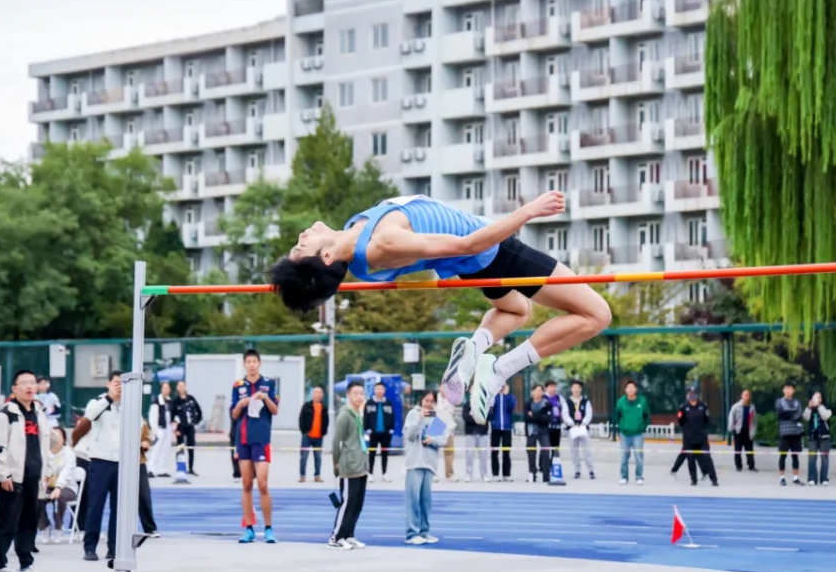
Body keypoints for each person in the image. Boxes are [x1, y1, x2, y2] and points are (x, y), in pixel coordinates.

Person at [268, 192, 613, 427]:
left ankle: (474, 350)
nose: (301, 237)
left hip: (476, 262)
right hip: (494, 252)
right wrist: (530, 210)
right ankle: (499, 369)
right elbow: (468, 244)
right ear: (326, 257)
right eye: (301, 249)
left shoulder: (354, 231)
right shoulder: (381, 243)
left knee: (518, 311)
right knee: (597, 315)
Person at [0, 370, 51, 572]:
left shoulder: (39, 414)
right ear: (14, 388)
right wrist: (3, 474)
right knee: (6, 521)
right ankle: (0, 564)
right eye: (24, 383)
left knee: (29, 521)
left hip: (34, 476)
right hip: (13, 477)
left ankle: (26, 563)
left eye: (32, 382)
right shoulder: (5, 415)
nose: (29, 386)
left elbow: (45, 446)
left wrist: (47, 471)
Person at [230, 349, 279, 544]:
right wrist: (241, 404)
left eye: (254, 362)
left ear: (259, 363)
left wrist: (265, 398)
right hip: (243, 439)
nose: (251, 365)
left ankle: (268, 528)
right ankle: (249, 528)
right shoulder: (238, 385)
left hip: (261, 439)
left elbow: (275, 410)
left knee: (263, 484)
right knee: (247, 484)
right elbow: (234, 414)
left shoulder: (268, 383)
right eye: (248, 362)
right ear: (244, 365)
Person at [82, 371, 124, 564]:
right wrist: (109, 398)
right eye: (116, 382)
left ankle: (114, 547)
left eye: (123, 383)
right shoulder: (97, 402)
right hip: (100, 460)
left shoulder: (129, 405)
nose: (119, 386)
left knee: (118, 508)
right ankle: (90, 546)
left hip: (121, 461)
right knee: (95, 505)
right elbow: (90, 415)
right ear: (108, 384)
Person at [403, 390, 450, 545]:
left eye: (431, 401)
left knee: (425, 500)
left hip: (429, 463)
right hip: (415, 462)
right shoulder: (413, 414)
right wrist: (419, 420)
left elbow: (442, 439)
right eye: (426, 400)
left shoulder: (435, 418)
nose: (428, 404)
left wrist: (432, 440)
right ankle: (412, 533)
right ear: (421, 400)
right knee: (414, 499)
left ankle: (424, 531)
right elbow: (409, 435)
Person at [329, 381, 369, 550]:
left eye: (361, 393)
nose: (359, 397)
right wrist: (336, 464)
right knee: (347, 502)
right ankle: (336, 536)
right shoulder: (344, 415)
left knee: (357, 503)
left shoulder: (358, 414)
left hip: (361, 465)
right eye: (355, 393)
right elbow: (336, 442)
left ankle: (349, 534)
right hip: (349, 465)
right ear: (348, 395)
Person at [670, 387, 718, 487]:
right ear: (687, 395)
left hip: (702, 438)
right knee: (690, 458)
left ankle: (713, 479)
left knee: (707, 457)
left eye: (694, 393)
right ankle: (693, 479)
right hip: (689, 438)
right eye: (690, 393)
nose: (692, 395)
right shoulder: (683, 407)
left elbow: (706, 419)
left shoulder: (703, 406)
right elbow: (681, 421)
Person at [38, 428, 77, 544]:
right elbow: (42, 472)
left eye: (58, 435)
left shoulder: (69, 454)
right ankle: (44, 526)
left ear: (64, 439)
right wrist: (44, 483)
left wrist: (58, 487)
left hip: (67, 488)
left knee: (59, 497)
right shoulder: (44, 453)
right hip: (48, 487)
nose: (54, 438)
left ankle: (58, 527)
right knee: (36, 496)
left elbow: (66, 473)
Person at [614, 380, 650, 486]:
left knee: (639, 456)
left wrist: (643, 427)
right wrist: (621, 427)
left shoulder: (642, 401)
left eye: (632, 387)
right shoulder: (621, 402)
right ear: (625, 390)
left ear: (636, 389)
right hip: (625, 434)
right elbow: (617, 415)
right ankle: (624, 477)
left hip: (637, 434)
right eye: (628, 387)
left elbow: (647, 415)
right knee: (624, 456)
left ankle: (639, 477)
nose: (630, 389)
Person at [363, 382, 396, 483]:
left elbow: (392, 416)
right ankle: (370, 473)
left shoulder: (388, 403)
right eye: (377, 389)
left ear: (384, 390)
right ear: (374, 390)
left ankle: (384, 473)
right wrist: (367, 428)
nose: (379, 391)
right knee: (372, 454)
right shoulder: (369, 403)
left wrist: (391, 429)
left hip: (386, 433)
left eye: (381, 389)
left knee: (385, 454)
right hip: (373, 433)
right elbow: (366, 416)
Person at [169, 381, 202, 477]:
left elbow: (199, 411)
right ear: (177, 388)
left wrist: (196, 421)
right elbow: (172, 416)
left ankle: (191, 468)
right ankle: (180, 467)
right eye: (180, 386)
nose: (182, 387)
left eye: (183, 385)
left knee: (191, 446)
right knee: (180, 447)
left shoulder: (191, 399)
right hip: (180, 427)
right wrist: (175, 429)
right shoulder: (175, 401)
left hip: (190, 426)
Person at [565, 380, 595, 480]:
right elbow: (565, 414)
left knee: (587, 451)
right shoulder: (567, 402)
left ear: (581, 389)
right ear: (571, 389)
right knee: (574, 452)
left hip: (583, 429)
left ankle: (591, 470)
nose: (576, 390)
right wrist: (571, 423)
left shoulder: (586, 401)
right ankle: (577, 470)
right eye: (574, 388)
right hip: (572, 429)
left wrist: (584, 423)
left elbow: (589, 413)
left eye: (578, 388)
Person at [776, 381, 804, 486]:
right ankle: (782, 477)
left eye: (790, 388)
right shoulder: (779, 402)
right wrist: (791, 414)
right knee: (783, 455)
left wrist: (789, 415)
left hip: (796, 432)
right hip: (784, 431)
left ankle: (795, 477)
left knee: (795, 455)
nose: (788, 391)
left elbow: (799, 414)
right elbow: (780, 414)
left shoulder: (797, 402)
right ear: (783, 390)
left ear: (793, 390)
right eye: (786, 388)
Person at [298, 386, 329, 482]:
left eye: (320, 393)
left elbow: (326, 421)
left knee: (318, 457)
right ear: (313, 394)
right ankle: (302, 475)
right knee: (304, 457)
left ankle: (317, 475)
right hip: (307, 436)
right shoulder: (307, 406)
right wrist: (304, 431)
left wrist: (324, 432)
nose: (318, 394)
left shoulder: (324, 408)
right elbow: (301, 419)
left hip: (319, 437)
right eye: (316, 392)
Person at [803, 391, 832, 486]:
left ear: (821, 399)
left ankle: (824, 478)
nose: (815, 400)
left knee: (824, 458)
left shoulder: (826, 408)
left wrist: (819, 406)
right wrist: (809, 407)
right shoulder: (810, 409)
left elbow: (825, 416)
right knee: (812, 458)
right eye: (814, 397)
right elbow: (805, 417)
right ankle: (812, 478)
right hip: (812, 436)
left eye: (818, 397)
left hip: (824, 436)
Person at [524, 384, 552, 483]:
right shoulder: (528, 403)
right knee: (531, 453)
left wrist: (534, 416)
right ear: (532, 392)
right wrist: (539, 416)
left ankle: (546, 474)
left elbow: (546, 419)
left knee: (546, 451)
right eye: (536, 390)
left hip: (543, 431)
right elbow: (526, 418)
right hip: (531, 431)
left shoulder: (546, 404)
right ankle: (532, 473)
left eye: (540, 390)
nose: (538, 392)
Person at [489, 383, 517, 482]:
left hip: (507, 428)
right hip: (495, 428)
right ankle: (495, 474)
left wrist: (506, 395)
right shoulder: (494, 397)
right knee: (494, 452)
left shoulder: (510, 397)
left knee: (506, 452)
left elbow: (511, 407)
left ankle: (506, 474)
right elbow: (490, 410)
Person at [147, 381, 174, 478]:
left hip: (168, 428)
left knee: (166, 449)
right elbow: (152, 417)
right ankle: (151, 469)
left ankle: (162, 469)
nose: (166, 390)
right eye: (164, 388)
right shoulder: (156, 402)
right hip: (159, 428)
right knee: (156, 449)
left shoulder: (170, 402)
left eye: (168, 388)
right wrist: (155, 429)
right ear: (161, 389)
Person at [461, 391, 490, 482]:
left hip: (482, 432)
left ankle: (484, 474)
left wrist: (475, 416)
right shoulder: (467, 404)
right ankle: (468, 474)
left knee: (483, 455)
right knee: (469, 454)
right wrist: (478, 419)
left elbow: (488, 417)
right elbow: (465, 417)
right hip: (470, 432)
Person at [728, 390, 758, 472]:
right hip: (738, 430)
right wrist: (731, 428)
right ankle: (738, 465)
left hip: (748, 430)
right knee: (738, 449)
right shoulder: (736, 406)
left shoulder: (752, 407)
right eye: (745, 395)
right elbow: (731, 417)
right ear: (742, 396)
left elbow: (754, 420)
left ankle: (751, 465)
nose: (747, 397)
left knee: (750, 449)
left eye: (748, 395)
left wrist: (754, 429)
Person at [138, 420, 159, 536]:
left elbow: (146, 438)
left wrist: (145, 443)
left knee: (143, 496)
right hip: (113, 461)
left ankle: (150, 528)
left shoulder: (140, 420)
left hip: (138, 462)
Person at [435, 390, 457, 482]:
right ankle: (433, 473)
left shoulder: (451, 399)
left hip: (448, 427)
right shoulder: (435, 397)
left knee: (449, 452)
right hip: (437, 425)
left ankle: (449, 474)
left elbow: (452, 412)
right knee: (434, 452)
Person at [544, 381, 568, 461]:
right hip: (547, 427)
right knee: (546, 447)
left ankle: (554, 463)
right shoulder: (543, 398)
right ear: (546, 388)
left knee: (556, 447)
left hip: (557, 426)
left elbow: (565, 409)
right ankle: (544, 465)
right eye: (551, 387)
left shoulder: (559, 397)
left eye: (555, 387)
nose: (553, 389)